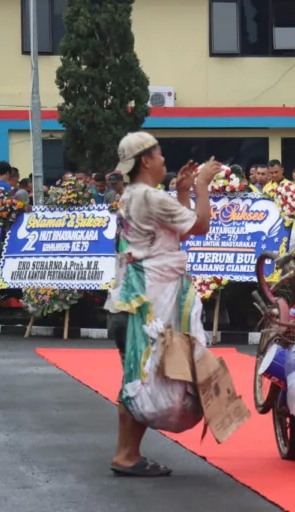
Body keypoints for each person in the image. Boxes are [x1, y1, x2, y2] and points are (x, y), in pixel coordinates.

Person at [106, 131, 222, 477]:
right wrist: (202, 185)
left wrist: (183, 192)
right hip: (149, 304)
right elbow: (199, 226)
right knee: (143, 380)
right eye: (159, 155)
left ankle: (126, 453)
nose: (164, 162)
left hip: (129, 302)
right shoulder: (150, 197)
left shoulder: (133, 195)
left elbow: (177, 231)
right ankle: (126, 455)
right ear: (145, 160)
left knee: (135, 378)